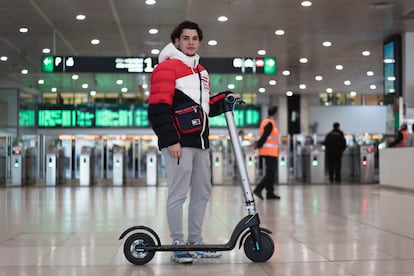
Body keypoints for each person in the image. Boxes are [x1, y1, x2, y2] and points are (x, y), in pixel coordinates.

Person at [148, 20, 231, 264]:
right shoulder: (167, 68)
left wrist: (223, 100)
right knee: (178, 193)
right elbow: (158, 109)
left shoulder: (201, 72)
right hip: (179, 144)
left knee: (203, 192)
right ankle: (178, 243)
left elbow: (201, 110)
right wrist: (171, 140)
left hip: (200, 143)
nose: (191, 42)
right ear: (176, 41)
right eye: (186, 38)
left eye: (195, 38)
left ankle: (196, 242)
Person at [253, 106, 281, 200]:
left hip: (270, 152)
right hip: (269, 152)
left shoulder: (268, 122)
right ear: (275, 113)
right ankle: (258, 189)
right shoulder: (269, 123)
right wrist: (259, 145)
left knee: (271, 173)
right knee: (270, 173)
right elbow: (265, 136)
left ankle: (270, 193)